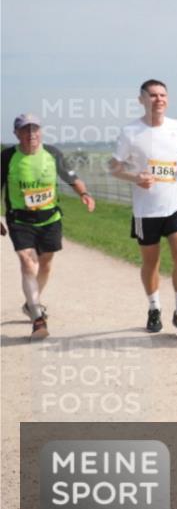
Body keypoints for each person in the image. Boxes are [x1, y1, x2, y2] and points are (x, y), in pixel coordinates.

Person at [108, 79, 177, 339]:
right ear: (141, 100)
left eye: (163, 95)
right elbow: (113, 167)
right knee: (151, 262)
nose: (159, 99)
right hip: (146, 210)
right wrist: (135, 178)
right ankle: (154, 307)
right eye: (153, 95)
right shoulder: (130, 133)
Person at [1, 113, 96, 339]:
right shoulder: (7, 157)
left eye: (35, 129)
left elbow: (71, 177)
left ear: (40, 132)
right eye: (25, 130)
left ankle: (31, 303)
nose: (31, 134)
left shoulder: (52, 154)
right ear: (16, 133)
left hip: (50, 219)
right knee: (28, 262)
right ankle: (37, 317)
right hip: (20, 220)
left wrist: (84, 193)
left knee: (45, 265)